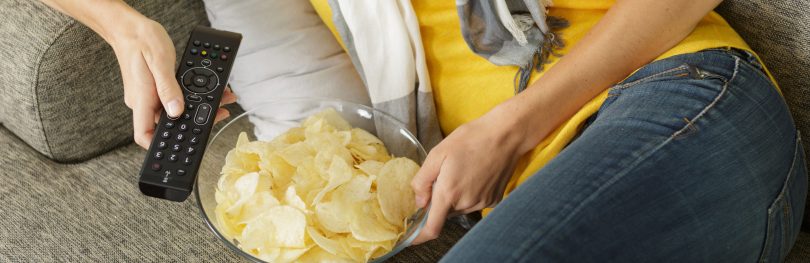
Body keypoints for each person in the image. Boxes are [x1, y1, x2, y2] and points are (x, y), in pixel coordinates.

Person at [43, 0, 807, 262]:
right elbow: (317, 109)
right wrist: (123, 25)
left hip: (686, 104)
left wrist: (514, 126)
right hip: (523, 194)